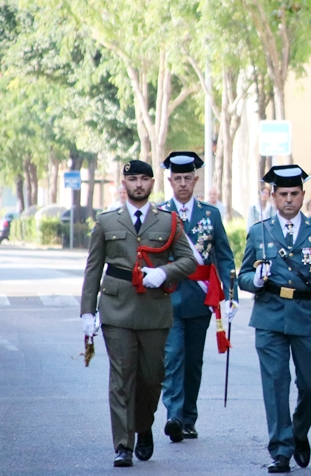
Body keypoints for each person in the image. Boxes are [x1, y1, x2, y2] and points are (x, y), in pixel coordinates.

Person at [80, 160, 196, 467]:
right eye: (133, 179)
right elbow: (93, 269)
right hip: (116, 309)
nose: (139, 184)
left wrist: (165, 273)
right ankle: (123, 445)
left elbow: (189, 261)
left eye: (144, 179)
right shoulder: (107, 221)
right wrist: (87, 313)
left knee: (151, 377)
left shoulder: (168, 222)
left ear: (152, 183)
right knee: (121, 377)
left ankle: (143, 424)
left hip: (154, 309)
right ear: (124, 184)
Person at [237, 165, 311, 473]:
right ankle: (281, 449)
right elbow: (243, 275)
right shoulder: (259, 231)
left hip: (306, 313)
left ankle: (298, 432)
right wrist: (255, 281)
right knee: (276, 383)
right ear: (273, 196)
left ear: (303, 195)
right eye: (283, 194)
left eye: (294, 194)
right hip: (270, 313)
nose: (289, 200)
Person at [158, 151, 237, 443]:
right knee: (173, 357)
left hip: (201, 299)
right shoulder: (161, 214)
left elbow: (225, 257)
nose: (182, 184)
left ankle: (188, 418)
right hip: (169, 297)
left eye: (187, 178)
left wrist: (231, 295)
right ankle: (174, 416)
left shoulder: (210, 214)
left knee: (193, 362)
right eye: (177, 178)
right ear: (169, 180)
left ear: (195, 180)